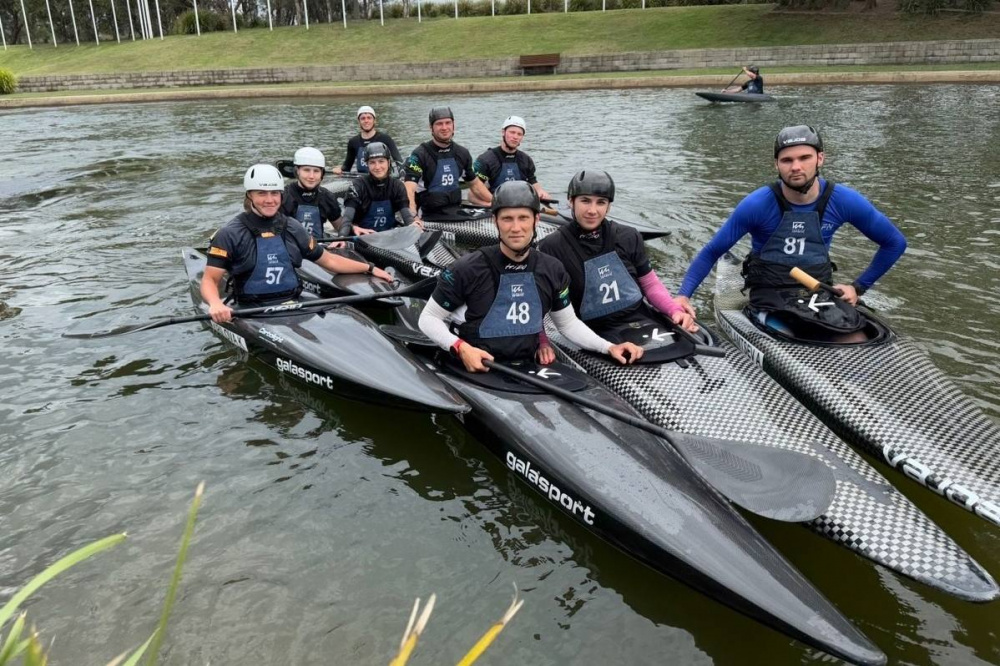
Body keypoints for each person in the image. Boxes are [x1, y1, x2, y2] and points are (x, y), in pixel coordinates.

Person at [675, 125, 907, 342]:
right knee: (799, 333)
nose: (796, 166)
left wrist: (857, 288)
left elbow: (894, 242)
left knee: (858, 336)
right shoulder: (757, 204)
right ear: (776, 165)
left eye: (804, 157)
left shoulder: (844, 200)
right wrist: (683, 296)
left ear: (820, 159)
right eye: (787, 160)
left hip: (818, 292)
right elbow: (713, 251)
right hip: (769, 295)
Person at [418, 180, 644, 373]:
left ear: (536, 220)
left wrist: (608, 347)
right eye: (507, 219)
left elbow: (567, 325)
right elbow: (427, 319)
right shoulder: (466, 268)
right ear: (494, 221)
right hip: (475, 365)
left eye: (523, 218)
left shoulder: (552, 269)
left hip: (525, 365)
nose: (516, 228)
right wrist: (460, 347)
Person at [535, 170, 696, 362]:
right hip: (592, 330)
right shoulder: (551, 247)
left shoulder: (628, 236)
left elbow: (650, 285)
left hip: (640, 317)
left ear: (609, 207)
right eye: (585, 201)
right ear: (571, 201)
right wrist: (542, 342)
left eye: (601, 202)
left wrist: (673, 311)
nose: (592, 210)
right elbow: (540, 304)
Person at [203, 164, 392, 323]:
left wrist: (370, 268)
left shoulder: (292, 227)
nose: (269, 200)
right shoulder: (230, 233)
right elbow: (210, 280)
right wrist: (216, 303)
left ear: (281, 195)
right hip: (250, 308)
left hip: (293, 301)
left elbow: (329, 261)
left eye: (274, 193)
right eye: (261, 193)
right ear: (249, 196)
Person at [404, 106, 492, 217]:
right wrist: (412, 217)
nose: (444, 127)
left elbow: (475, 185)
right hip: (428, 215)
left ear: (453, 125)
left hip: (454, 211)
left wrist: (497, 204)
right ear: (431, 128)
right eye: (439, 124)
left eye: (448, 123)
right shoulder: (419, 155)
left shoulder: (462, 153)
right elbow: (409, 190)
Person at [339, 142, 422, 236]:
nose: (377, 167)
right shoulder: (357, 186)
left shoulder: (397, 185)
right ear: (367, 164)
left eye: (381, 161)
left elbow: (406, 214)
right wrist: (346, 233)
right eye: (372, 163)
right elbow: (347, 218)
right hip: (362, 236)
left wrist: (411, 224)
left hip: (389, 235)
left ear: (388, 162)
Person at [467, 116, 551, 206]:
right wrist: (491, 205)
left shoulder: (526, 160)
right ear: (503, 132)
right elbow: (471, 196)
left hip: (520, 205)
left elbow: (534, 183)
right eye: (512, 132)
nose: (515, 137)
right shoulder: (485, 159)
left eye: (519, 134)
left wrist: (541, 192)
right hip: (495, 206)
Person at [280, 147, 342, 241]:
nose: (311, 176)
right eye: (306, 170)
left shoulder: (326, 196)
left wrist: (349, 231)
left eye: (316, 171)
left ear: (322, 173)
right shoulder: (284, 197)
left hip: (319, 249)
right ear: (297, 171)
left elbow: (340, 228)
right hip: (291, 250)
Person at [332, 105, 402, 175]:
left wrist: (403, 176)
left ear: (374, 120)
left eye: (369, 118)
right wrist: (340, 169)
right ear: (359, 121)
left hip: (383, 178)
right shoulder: (353, 142)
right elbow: (347, 167)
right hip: (363, 180)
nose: (366, 121)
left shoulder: (386, 139)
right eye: (363, 118)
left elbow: (399, 162)